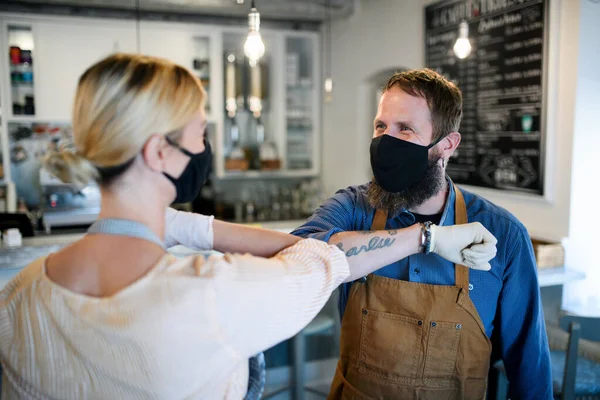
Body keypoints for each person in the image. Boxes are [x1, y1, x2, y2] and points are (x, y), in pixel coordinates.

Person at [0, 55, 496, 400]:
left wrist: (168, 223)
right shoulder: (213, 295)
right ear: (158, 153)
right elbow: (323, 258)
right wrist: (427, 237)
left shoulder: (18, 297)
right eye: (200, 133)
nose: (207, 147)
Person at [292, 69, 552, 400]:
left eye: (406, 129)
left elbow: (530, 373)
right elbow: (299, 258)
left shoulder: (504, 235)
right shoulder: (355, 208)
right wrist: (424, 237)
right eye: (381, 126)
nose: (386, 141)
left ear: (446, 145)